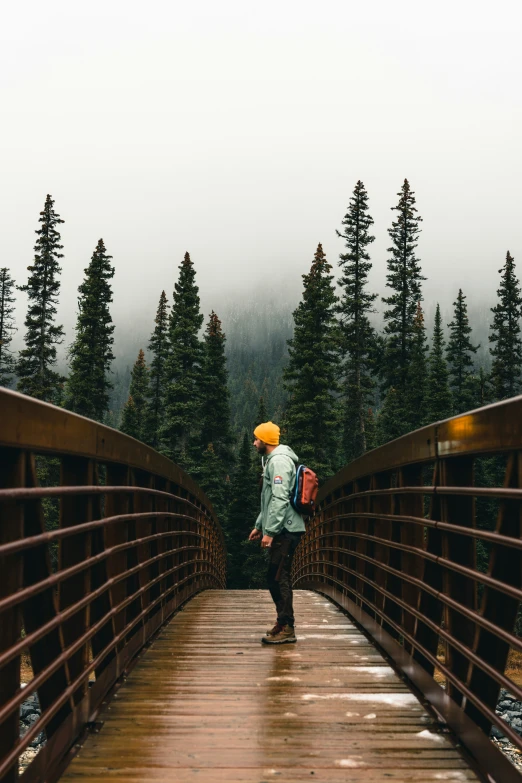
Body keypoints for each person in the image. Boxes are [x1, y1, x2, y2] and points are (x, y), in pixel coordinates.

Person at [248, 421, 306, 644]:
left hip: (286, 530)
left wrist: (270, 531)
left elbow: (280, 499)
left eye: (257, 439)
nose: (254, 443)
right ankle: (283, 624)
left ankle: (287, 627)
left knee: (277, 578)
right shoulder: (274, 460)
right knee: (275, 577)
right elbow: (270, 499)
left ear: (266, 441)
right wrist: (259, 526)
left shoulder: (279, 461)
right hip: (282, 528)